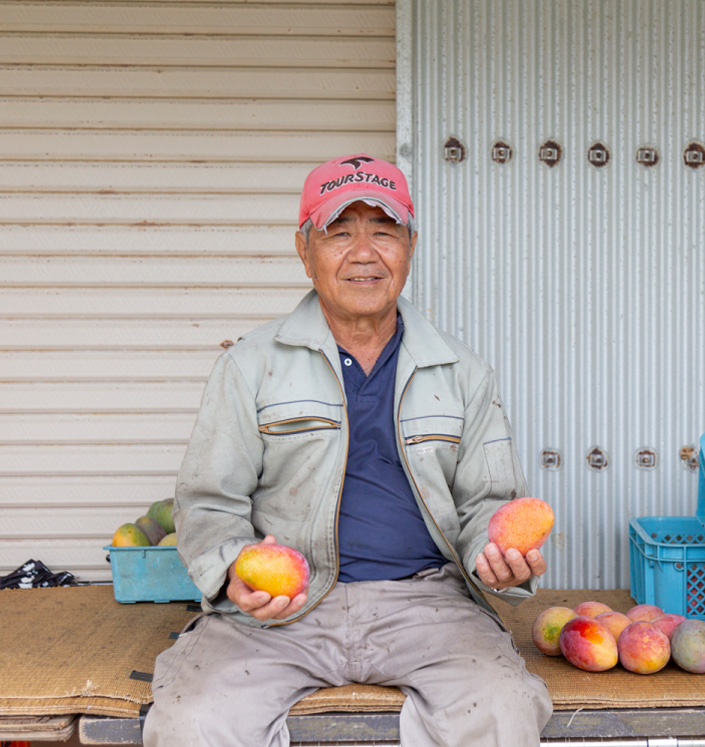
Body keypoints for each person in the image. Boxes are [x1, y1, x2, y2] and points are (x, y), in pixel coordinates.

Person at [142, 154, 553, 746]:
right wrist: (233, 570)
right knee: (192, 722)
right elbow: (208, 502)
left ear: (410, 244)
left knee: (501, 710)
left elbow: (488, 501)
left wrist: (497, 555)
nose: (364, 252)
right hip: (283, 611)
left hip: (426, 603)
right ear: (304, 250)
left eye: (384, 230)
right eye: (340, 231)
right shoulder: (249, 365)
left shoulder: (463, 372)